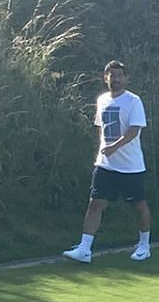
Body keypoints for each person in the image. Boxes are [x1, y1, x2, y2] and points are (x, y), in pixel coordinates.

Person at [64, 60, 151, 263]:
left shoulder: (133, 101)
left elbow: (133, 130)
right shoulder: (102, 100)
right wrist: (105, 151)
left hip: (131, 166)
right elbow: (102, 128)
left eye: (120, 76)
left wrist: (114, 148)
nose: (116, 80)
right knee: (95, 204)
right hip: (105, 165)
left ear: (126, 78)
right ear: (106, 78)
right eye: (112, 75)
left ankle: (144, 245)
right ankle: (85, 249)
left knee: (139, 205)